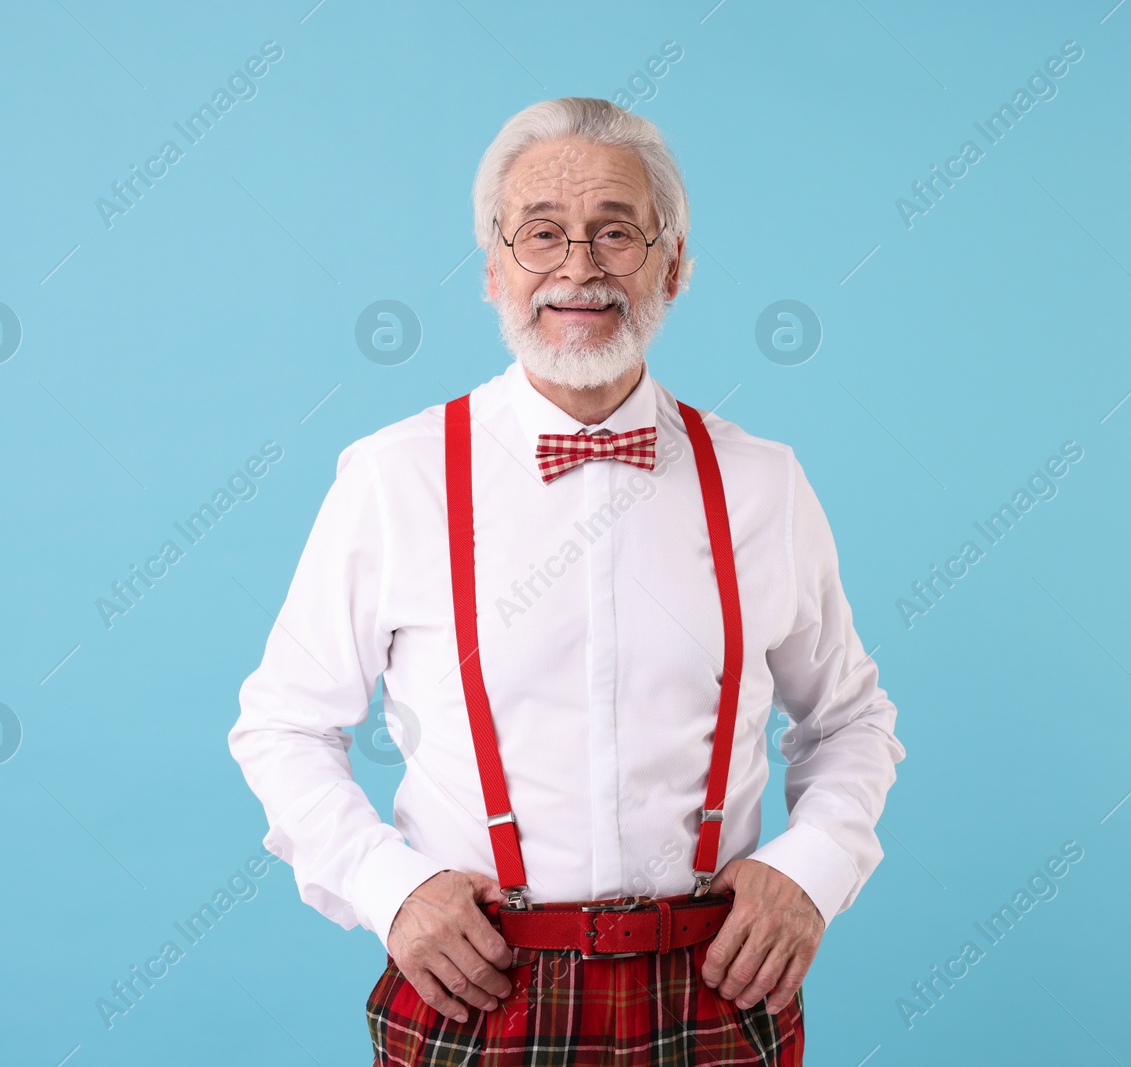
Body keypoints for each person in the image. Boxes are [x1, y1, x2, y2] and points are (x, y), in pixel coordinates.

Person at [227, 96, 905, 1066]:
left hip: (715, 988)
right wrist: (389, 887)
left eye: (615, 233)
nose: (578, 268)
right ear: (494, 268)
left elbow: (849, 719)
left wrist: (812, 868)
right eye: (542, 234)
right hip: (479, 991)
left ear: (673, 266)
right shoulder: (395, 474)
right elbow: (282, 723)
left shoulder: (763, 481)